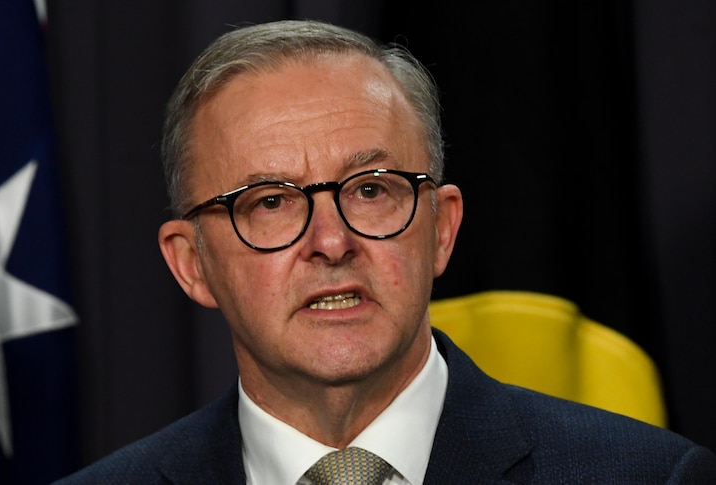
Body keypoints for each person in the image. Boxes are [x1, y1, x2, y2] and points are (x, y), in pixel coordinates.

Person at [56, 19, 716, 484]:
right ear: (191, 263)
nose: (332, 241)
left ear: (442, 227)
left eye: (370, 189)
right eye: (271, 202)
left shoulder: (645, 476)